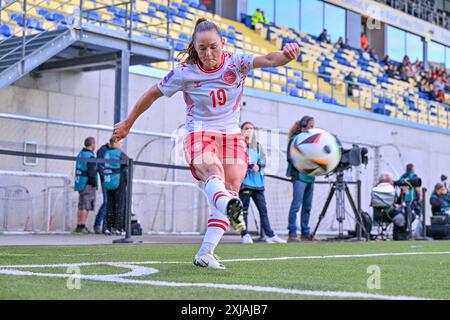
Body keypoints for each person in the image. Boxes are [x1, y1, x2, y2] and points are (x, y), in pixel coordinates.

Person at [113, 18, 301, 269]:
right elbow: (152, 93)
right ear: (194, 46)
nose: (208, 53)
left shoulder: (237, 62)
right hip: (199, 133)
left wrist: (287, 56)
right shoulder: (184, 72)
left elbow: (269, 59)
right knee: (214, 174)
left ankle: (206, 252)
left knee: (232, 188)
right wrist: (128, 123)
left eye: (213, 47)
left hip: (232, 136)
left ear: (223, 43)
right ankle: (230, 208)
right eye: (202, 48)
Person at [239, 121, 286, 244]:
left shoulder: (258, 146)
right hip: (245, 183)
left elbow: (263, 160)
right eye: (246, 128)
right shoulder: (239, 146)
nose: (249, 130)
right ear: (242, 130)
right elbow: (238, 160)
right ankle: (244, 235)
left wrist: (258, 166)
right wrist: (250, 165)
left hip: (258, 184)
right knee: (243, 210)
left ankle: (270, 235)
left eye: (251, 128)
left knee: (263, 210)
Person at [286, 116, 318, 242]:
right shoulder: (295, 139)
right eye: (310, 126)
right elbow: (290, 157)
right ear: (303, 125)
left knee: (307, 206)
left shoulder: (312, 140)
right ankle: (292, 233)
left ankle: (305, 233)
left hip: (310, 176)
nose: (312, 128)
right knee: (296, 205)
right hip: (299, 175)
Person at [103, 136, 129, 236]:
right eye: (120, 143)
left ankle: (108, 227)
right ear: (115, 143)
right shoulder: (120, 153)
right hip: (119, 181)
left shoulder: (106, 153)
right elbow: (129, 162)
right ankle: (119, 228)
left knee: (110, 205)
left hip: (108, 181)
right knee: (120, 205)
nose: (122, 144)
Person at [73, 137, 98, 234]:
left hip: (80, 183)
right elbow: (91, 172)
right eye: (94, 144)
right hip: (87, 183)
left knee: (81, 205)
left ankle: (79, 226)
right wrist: (94, 184)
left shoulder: (80, 154)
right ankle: (82, 226)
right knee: (85, 206)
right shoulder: (90, 156)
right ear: (92, 144)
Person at [93, 141, 111, 234]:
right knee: (106, 202)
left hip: (112, 180)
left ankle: (106, 226)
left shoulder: (112, 150)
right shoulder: (103, 150)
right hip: (107, 180)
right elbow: (101, 166)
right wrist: (106, 177)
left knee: (109, 203)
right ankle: (97, 225)